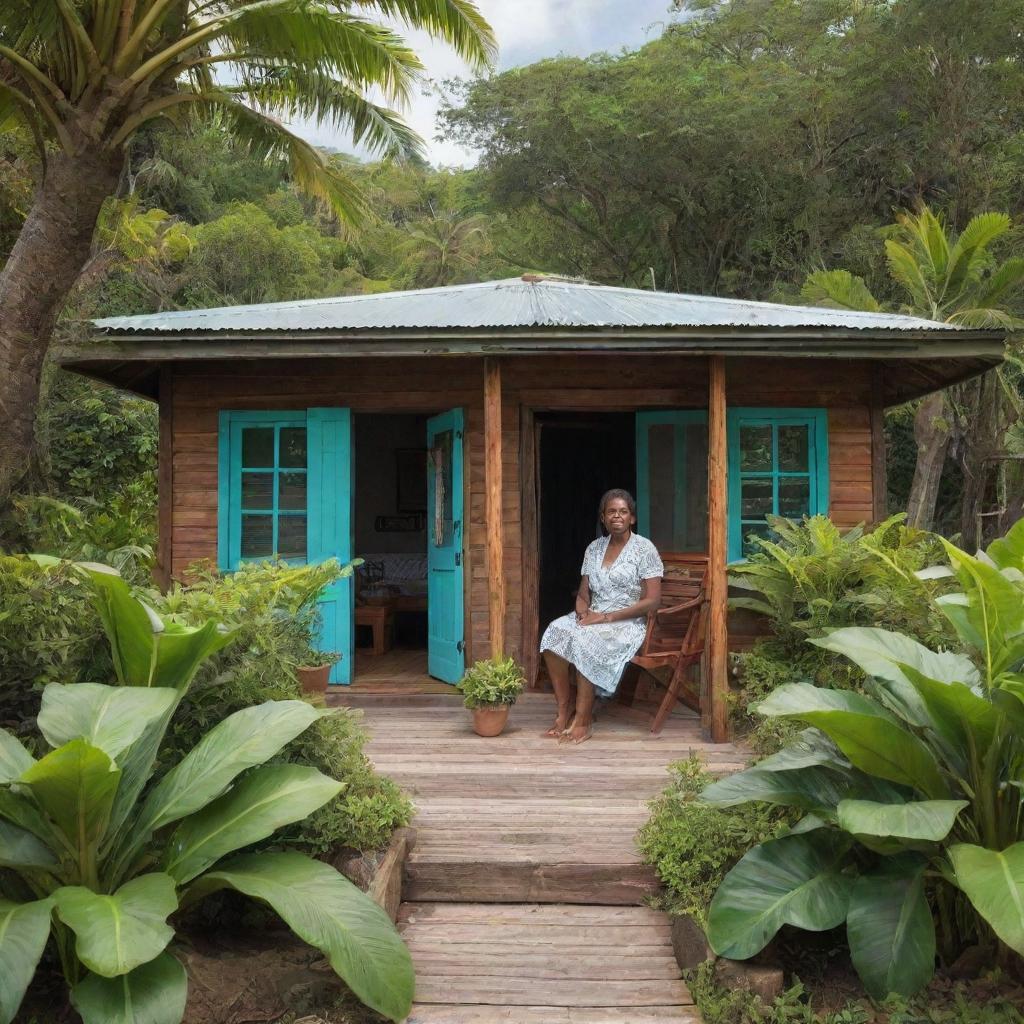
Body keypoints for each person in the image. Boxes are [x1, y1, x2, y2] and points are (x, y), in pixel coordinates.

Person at [539, 488, 663, 744]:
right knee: (554, 632)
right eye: (611, 512)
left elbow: (652, 601)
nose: (617, 516)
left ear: (632, 518)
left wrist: (604, 618)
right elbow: (584, 591)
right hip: (595, 615)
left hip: (627, 622)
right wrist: (582, 608)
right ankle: (565, 710)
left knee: (586, 640)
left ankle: (583, 720)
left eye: (623, 512)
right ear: (603, 518)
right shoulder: (594, 548)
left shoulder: (644, 549)